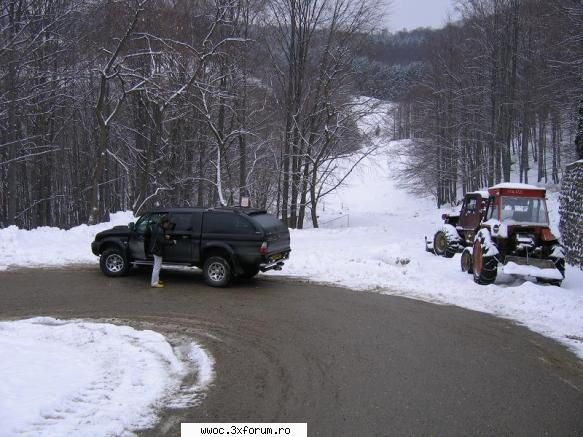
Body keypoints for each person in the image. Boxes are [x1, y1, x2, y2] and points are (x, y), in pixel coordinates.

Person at [149, 215, 175, 288]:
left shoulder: (159, 227)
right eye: (167, 223)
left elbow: (159, 238)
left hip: (155, 249)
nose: (168, 225)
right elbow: (162, 242)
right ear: (164, 223)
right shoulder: (160, 230)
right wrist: (172, 242)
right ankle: (154, 283)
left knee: (157, 266)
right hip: (157, 250)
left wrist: (165, 236)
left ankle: (156, 279)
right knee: (156, 267)